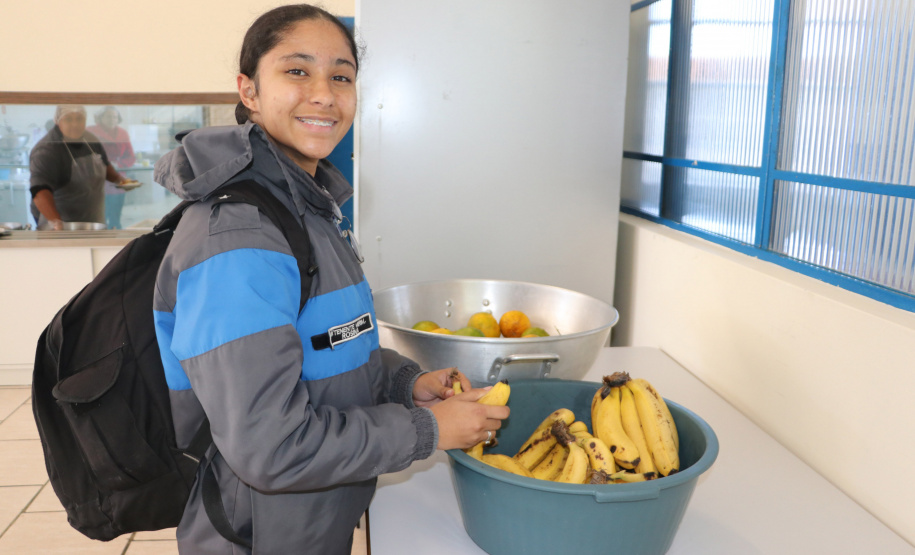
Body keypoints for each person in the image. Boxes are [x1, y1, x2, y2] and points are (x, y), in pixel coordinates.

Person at [152, 5, 509, 554]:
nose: (323, 94)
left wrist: (405, 384)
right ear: (249, 91)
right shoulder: (236, 240)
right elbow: (272, 447)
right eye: (297, 71)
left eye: (341, 77)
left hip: (313, 520)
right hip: (258, 536)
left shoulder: (306, 207)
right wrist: (429, 429)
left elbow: (325, 342)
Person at [29, 105, 137, 229]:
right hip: (63, 227)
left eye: (79, 119)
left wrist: (121, 181)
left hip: (93, 223)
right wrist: (57, 223)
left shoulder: (91, 139)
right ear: (57, 121)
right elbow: (39, 192)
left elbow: (105, 165)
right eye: (68, 119)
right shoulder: (47, 150)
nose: (75, 124)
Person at [87, 106, 137, 229]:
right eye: (108, 116)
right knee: (99, 217)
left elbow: (131, 157)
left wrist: (118, 164)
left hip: (118, 178)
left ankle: (116, 235)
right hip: (97, 179)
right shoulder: (91, 131)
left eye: (115, 117)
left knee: (115, 217)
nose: (112, 119)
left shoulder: (123, 133)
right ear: (100, 118)